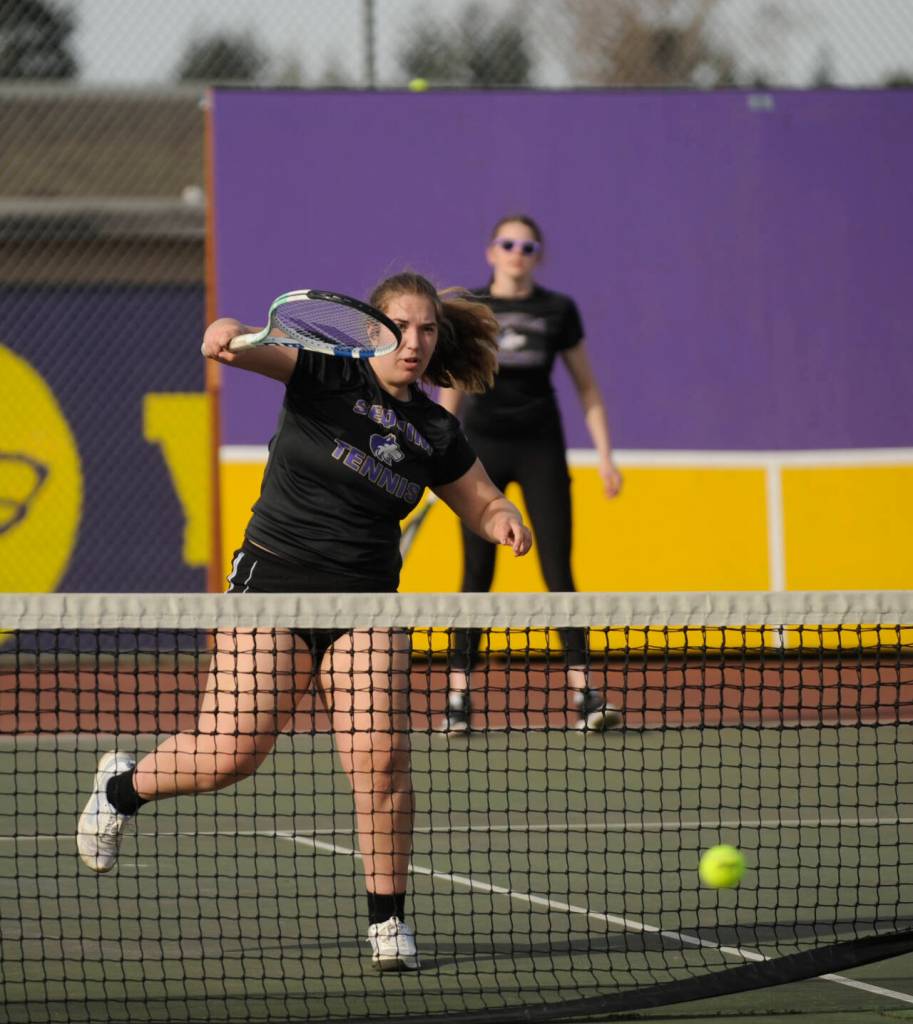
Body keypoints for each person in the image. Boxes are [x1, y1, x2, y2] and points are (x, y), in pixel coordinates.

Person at [76, 272, 532, 973]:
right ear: (373, 326)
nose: (414, 343)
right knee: (232, 754)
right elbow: (236, 348)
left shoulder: (434, 429)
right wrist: (223, 337)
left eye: (428, 330)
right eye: (402, 327)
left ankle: (386, 924)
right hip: (274, 586)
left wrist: (502, 521)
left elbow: (480, 500)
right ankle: (120, 788)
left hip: (365, 604)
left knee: (379, 762)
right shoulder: (323, 372)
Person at [437, 214, 623, 735]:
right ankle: (457, 700)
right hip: (481, 451)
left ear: (537, 255)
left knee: (558, 573)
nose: (517, 252)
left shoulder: (557, 310)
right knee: (477, 576)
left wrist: (605, 455)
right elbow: (450, 386)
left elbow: (587, 387)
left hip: (541, 447)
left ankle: (585, 695)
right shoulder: (470, 309)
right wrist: (437, 452)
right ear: (491, 251)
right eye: (507, 243)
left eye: (527, 245)